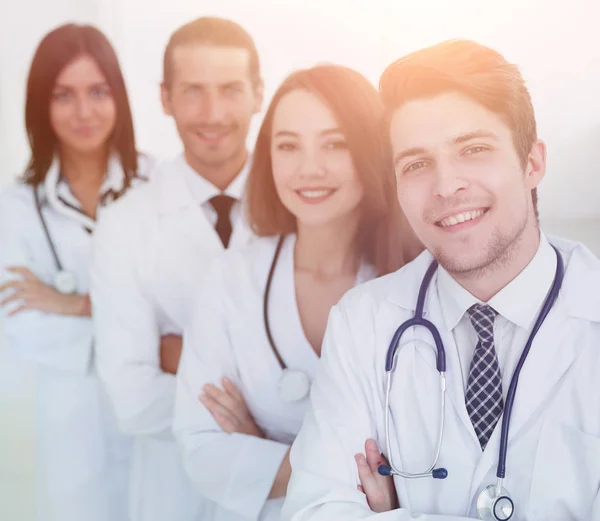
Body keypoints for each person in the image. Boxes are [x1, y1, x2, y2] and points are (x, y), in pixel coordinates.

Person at [282, 39, 600, 521]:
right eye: (416, 164)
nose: (446, 186)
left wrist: (394, 514)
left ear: (532, 163)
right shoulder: (361, 324)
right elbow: (313, 511)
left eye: (473, 149)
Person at [172, 64, 422, 521]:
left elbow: (429, 463)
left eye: (335, 143)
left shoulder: (417, 284)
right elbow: (201, 450)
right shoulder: (230, 279)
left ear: (372, 149)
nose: (310, 168)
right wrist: (343, 466)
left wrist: (261, 450)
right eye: (288, 146)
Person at [89, 17, 263, 521]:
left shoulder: (304, 205)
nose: (212, 113)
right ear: (165, 98)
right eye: (192, 91)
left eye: (230, 89)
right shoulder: (125, 225)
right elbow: (132, 396)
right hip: (175, 494)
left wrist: (184, 358)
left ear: (258, 94)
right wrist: (270, 402)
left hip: (287, 496)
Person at [0, 23, 149, 521]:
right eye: (63, 95)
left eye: (97, 92)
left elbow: (184, 308)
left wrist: (73, 304)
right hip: (68, 416)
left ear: (119, 98)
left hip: (155, 414)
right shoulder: (17, 208)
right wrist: (135, 331)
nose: (83, 112)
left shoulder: (160, 187)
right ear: (40, 105)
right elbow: (20, 319)